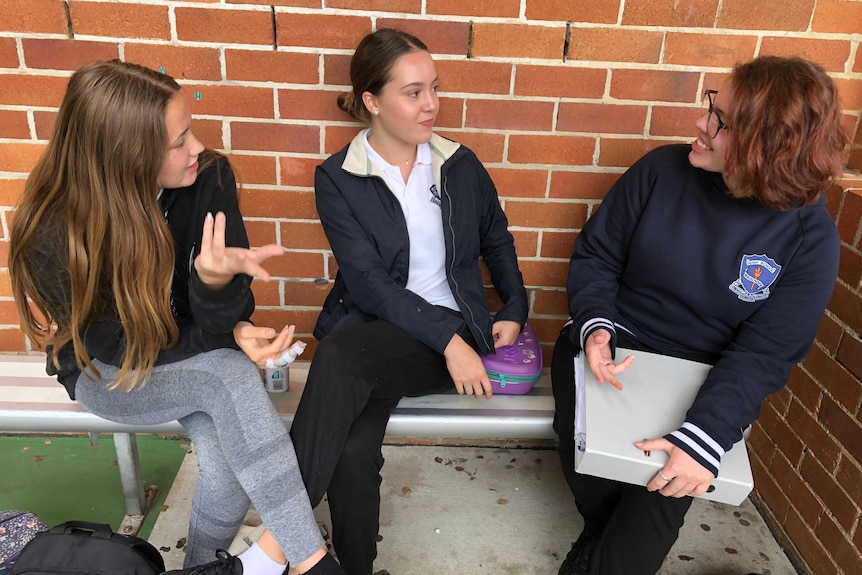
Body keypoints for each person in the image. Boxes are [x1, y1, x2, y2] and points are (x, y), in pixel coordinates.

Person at [8, 60, 346, 575]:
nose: (196, 148)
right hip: (106, 373)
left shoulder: (207, 178)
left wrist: (215, 291)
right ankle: (310, 563)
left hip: (190, 362)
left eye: (190, 128)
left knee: (227, 452)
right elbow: (115, 346)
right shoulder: (53, 232)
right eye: (176, 141)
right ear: (124, 158)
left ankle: (201, 567)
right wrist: (225, 341)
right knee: (230, 377)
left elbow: (226, 315)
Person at [551, 55, 847, 575]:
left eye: (721, 121)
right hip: (615, 345)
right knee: (591, 473)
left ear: (765, 146)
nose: (700, 123)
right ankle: (596, 526)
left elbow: (764, 353)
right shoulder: (660, 170)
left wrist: (702, 438)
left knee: (656, 502)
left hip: (704, 381)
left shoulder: (809, 238)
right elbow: (597, 257)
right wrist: (596, 326)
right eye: (713, 106)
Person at [288, 29, 529, 575]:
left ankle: (279, 543)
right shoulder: (339, 178)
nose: (432, 105)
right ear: (372, 102)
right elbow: (369, 283)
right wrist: (448, 344)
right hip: (381, 332)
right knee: (351, 450)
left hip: (445, 334)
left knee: (340, 357)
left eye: (434, 89)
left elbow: (497, 239)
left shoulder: (459, 166)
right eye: (414, 92)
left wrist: (513, 307)